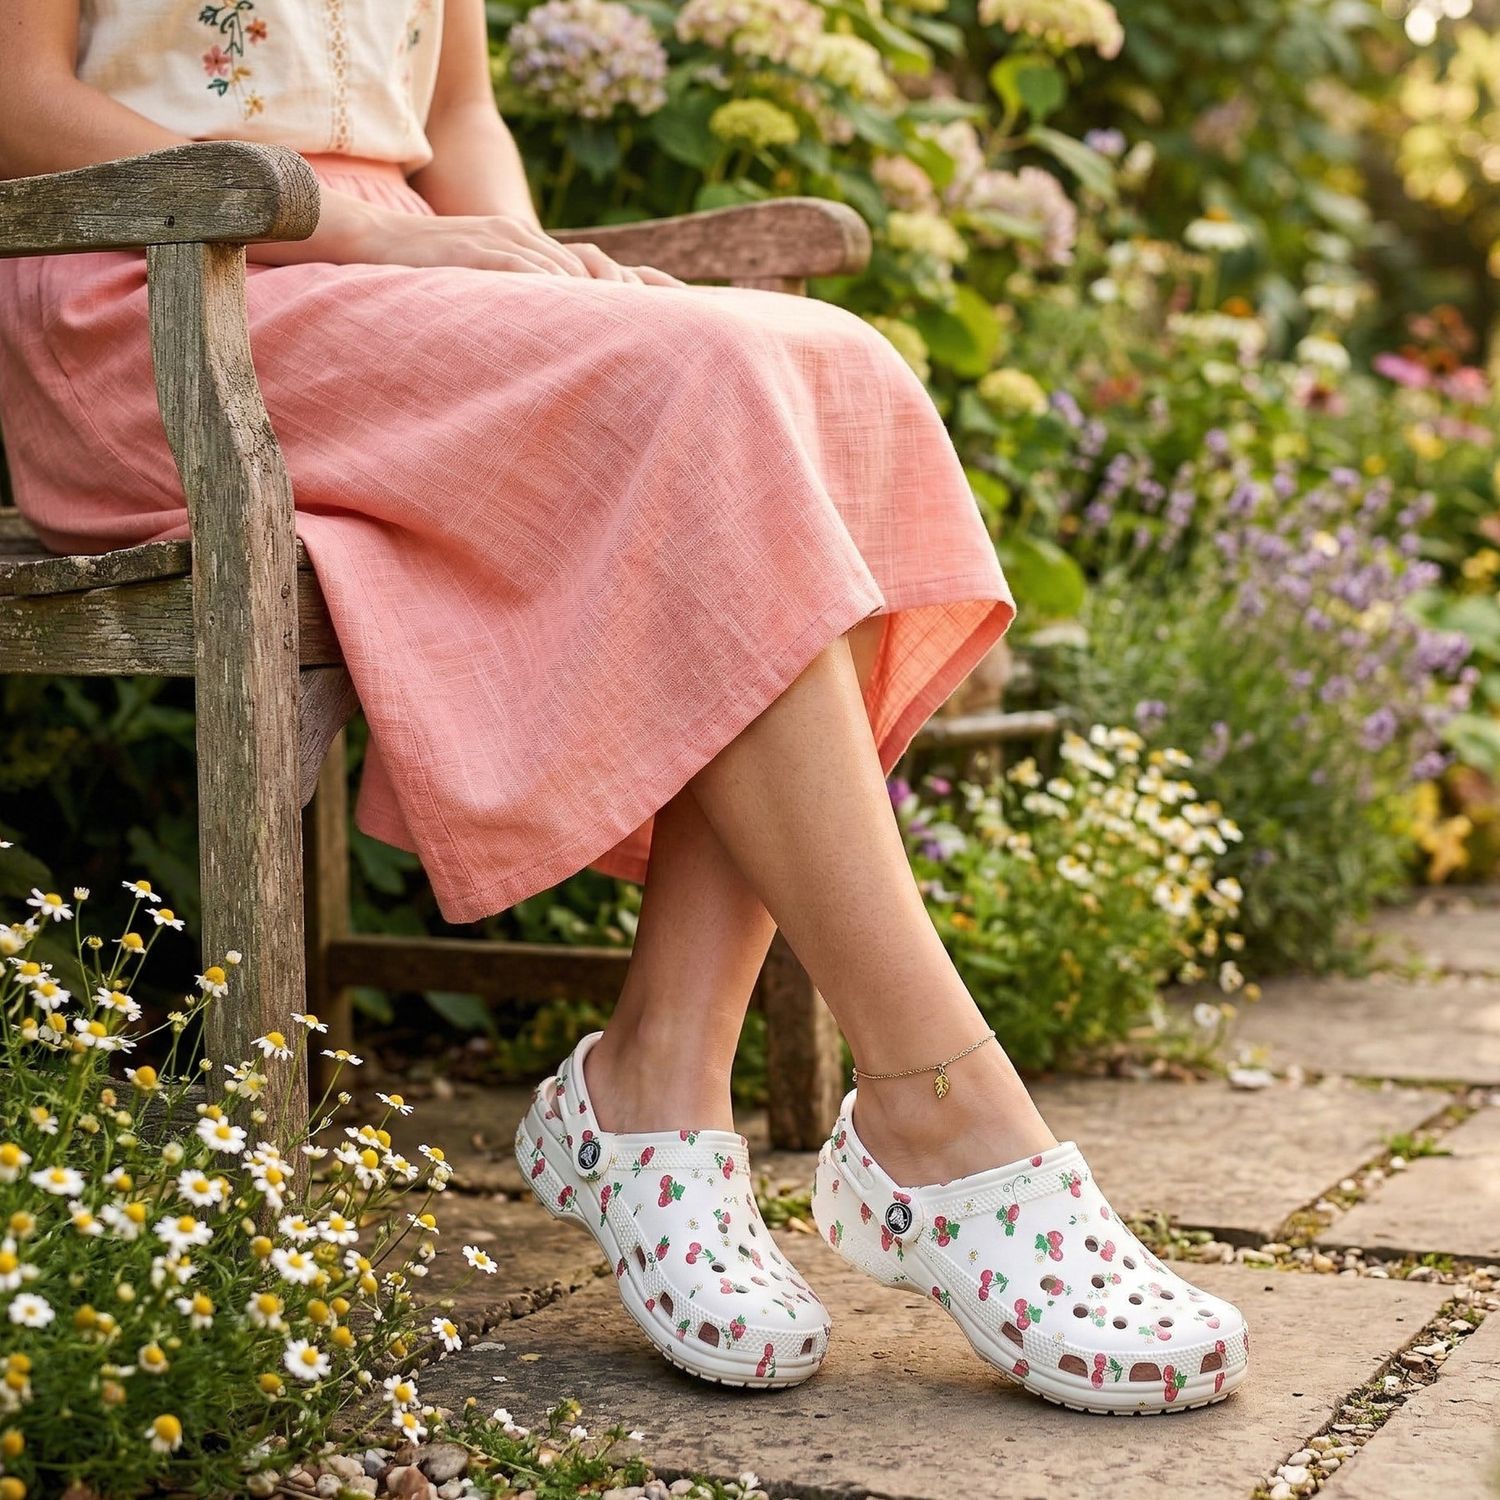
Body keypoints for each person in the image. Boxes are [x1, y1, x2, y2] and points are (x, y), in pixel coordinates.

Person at [0, 0, 1247, 1413]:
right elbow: (17, 101)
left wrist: (529, 269)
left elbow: (458, 112)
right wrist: (387, 241)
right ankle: (937, 1105)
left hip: (402, 276)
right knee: (704, 391)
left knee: (829, 369)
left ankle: (657, 1082)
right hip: (160, 291)